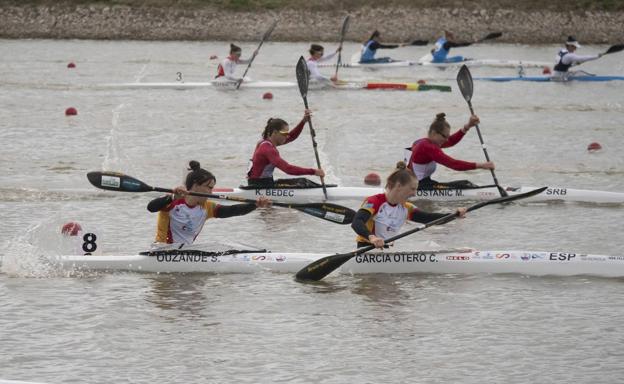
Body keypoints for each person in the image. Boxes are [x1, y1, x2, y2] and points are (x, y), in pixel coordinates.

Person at [148, 161, 271, 245]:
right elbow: (151, 207)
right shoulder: (174, 201)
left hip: (184, 252)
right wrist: (172, 197)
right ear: (195, 186)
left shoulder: (207, 207)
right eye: (208, 187)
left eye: (212, 188)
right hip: (162, 250)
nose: (211, 192)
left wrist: (255, 205)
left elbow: (233, 210)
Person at [352, 162, 467, 249]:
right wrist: (372, 237)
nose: (414, 193)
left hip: (386, 251)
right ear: (398, 186)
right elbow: (356, 222)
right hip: (366, 249)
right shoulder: (375, 201)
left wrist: (453, 215)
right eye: (412, 189)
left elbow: (428, 218)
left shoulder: (406, 208)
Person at [407, 113, 494, 190]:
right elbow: (454, 164)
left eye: (448, 137)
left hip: (420, 183)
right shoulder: (428, 147)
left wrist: (467, 126)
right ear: (434, 133)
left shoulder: (423, 142)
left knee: (464, 183)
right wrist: (482, 165)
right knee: (464, 185)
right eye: (445, 136)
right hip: (419, 187)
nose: (446, 140)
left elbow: (451, 141)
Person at [247, 110, 325, 188]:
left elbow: (292, 136)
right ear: (275, 132)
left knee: (302, 181)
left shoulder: (264, 142)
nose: (287, 136)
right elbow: (288, 169)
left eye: (287, 133)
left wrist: (303, 121)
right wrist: (314, 172)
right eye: (284, 134)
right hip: (259, 187)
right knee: (303, 183)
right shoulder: (268, 150)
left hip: (261, 183)